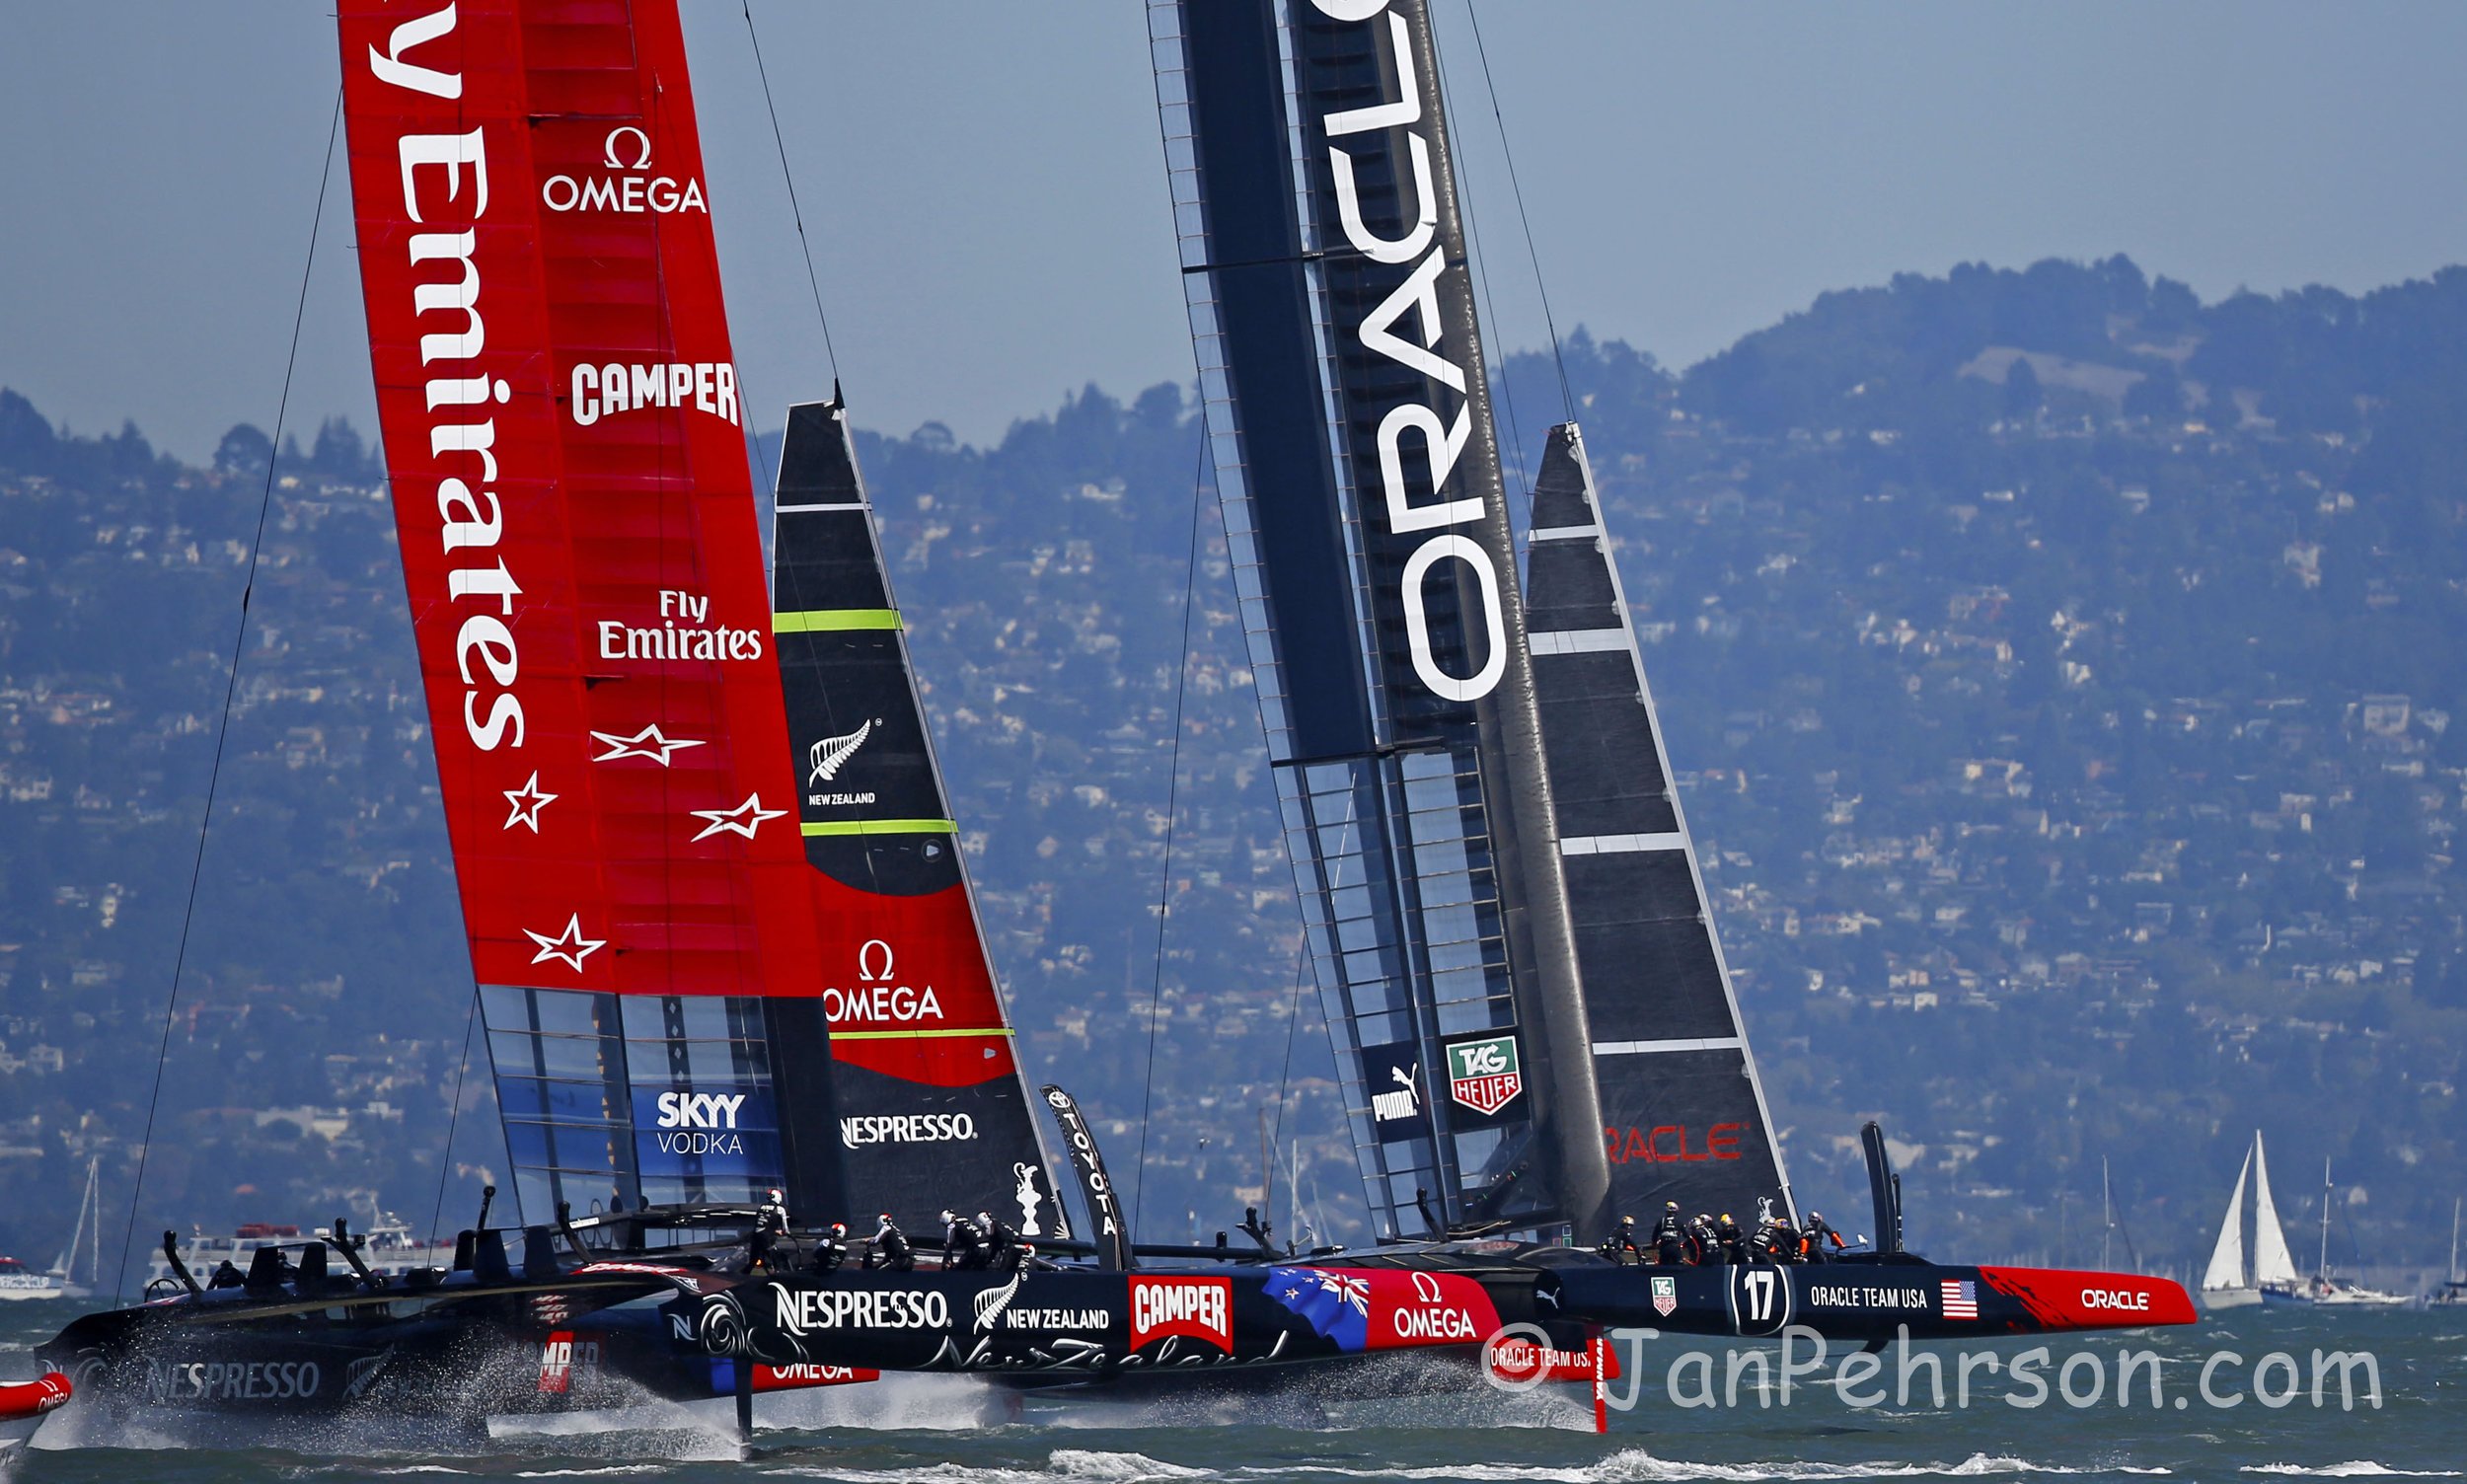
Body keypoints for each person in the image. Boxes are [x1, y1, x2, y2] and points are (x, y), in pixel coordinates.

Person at [1650, 1201, 1688, 1265]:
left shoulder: (1661, 1221)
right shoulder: (1679, 1222)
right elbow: (1686, 1235)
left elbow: (1654, 1236)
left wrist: (1654, 1245)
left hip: (1664, 1248)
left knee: (1663, 1266)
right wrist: (1685, 1244)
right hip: (1675, 1248)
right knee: (1679, 1266)